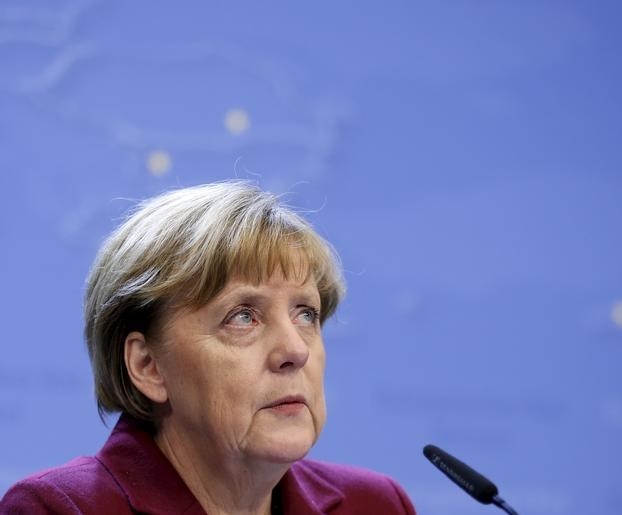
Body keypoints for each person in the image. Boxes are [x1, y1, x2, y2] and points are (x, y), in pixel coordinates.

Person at [0, 182, 416, 514]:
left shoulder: (376, 504)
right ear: (148, 366)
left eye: (306, 314)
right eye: (243, 316)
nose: (295, 350)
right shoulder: (59, 509)